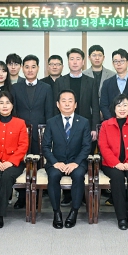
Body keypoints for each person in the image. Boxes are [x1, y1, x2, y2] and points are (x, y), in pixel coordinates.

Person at [42, 90, 92, 229]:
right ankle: (56, 212)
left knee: (79, 175)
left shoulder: (83, 122)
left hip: (77, 162)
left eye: (70, 101)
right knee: (53, 176)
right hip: (56, 162)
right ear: (58, 104)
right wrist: (55, 162)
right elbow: (45, 146)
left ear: (75, 105)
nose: (67, 104)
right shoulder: (51, 122)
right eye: (63, 101)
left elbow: (87, 146)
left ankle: (74, 211)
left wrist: (76, 163)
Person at [0, 91, 29, 231]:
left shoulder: (20, 123)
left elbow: (23, 146)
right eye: (1, 103)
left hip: (14, 163)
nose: (5, 106)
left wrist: (11, 162)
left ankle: (0, 215)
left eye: (8, 102)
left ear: (12, 105)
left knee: (7, 177)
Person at [11, 54, 54, 208]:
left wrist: (48, 134)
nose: (30, 70)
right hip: (20, 134)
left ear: (38, 68)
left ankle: (36, 198)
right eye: (27, 67)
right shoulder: (15, 88)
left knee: (39, 166)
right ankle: (22, 198)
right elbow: (13, 111)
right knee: (21, 165)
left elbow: (49, 112)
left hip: (39, 134)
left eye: (33, 67)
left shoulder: (46, 88)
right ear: (23, 69)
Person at [98, 95, 128, 230]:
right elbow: (103, 147)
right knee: (117, 177)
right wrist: (116, 163)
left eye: (125, 105)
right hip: (111, 164)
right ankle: (121, 217)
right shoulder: (106, 125)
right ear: (113, 108)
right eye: (118, 105)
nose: (122, 108)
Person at [53, 48, 100, 141]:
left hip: (85, 125)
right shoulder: (60, 81)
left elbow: (95, 107)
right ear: (68, 62)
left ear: (83, 62)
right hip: (64, 125)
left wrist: (94, 128)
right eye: (72, 59)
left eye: (78, 59)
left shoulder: (91, 82)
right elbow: (55, 107)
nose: (75, 62)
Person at [100, 48, 128, 120]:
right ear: (112, 63)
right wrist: (112, 121)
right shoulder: (107, 83)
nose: (119, 64)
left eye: (122, 61)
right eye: (116, 61)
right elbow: (104, 105)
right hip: (111, 123)